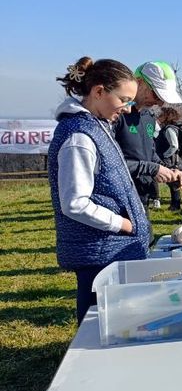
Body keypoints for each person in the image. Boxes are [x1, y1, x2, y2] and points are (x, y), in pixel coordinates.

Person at [50, 57, 150, 324]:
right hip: (98, 255)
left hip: (110, 251)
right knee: (99, 327)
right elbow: (74, 202)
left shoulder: (98, 126)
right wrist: (121, 224)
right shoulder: (79, 137)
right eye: (124, 100)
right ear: (98, 92)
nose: (127, 108)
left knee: (119, 324)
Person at [112, 61, 182, 208]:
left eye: (162, 99)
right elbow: (107, 162)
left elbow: (150, 154)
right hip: (118, 198)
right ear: (139, 82)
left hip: (142, 196)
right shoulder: (116, 115)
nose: (159, 103)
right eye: (156, 95)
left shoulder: (149, 117)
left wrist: (168, 171)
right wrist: (151, 168)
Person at [154, 106, 182, 211]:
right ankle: (175, 205)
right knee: (173, 183)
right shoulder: (169, 128)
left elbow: (174, 145)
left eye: (162, 114)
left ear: (167, 116)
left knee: (173, 183)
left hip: (171, 160)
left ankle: (175, 205)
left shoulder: (169, 129)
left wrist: (165, 155)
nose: (159, 116)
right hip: (172, 159)